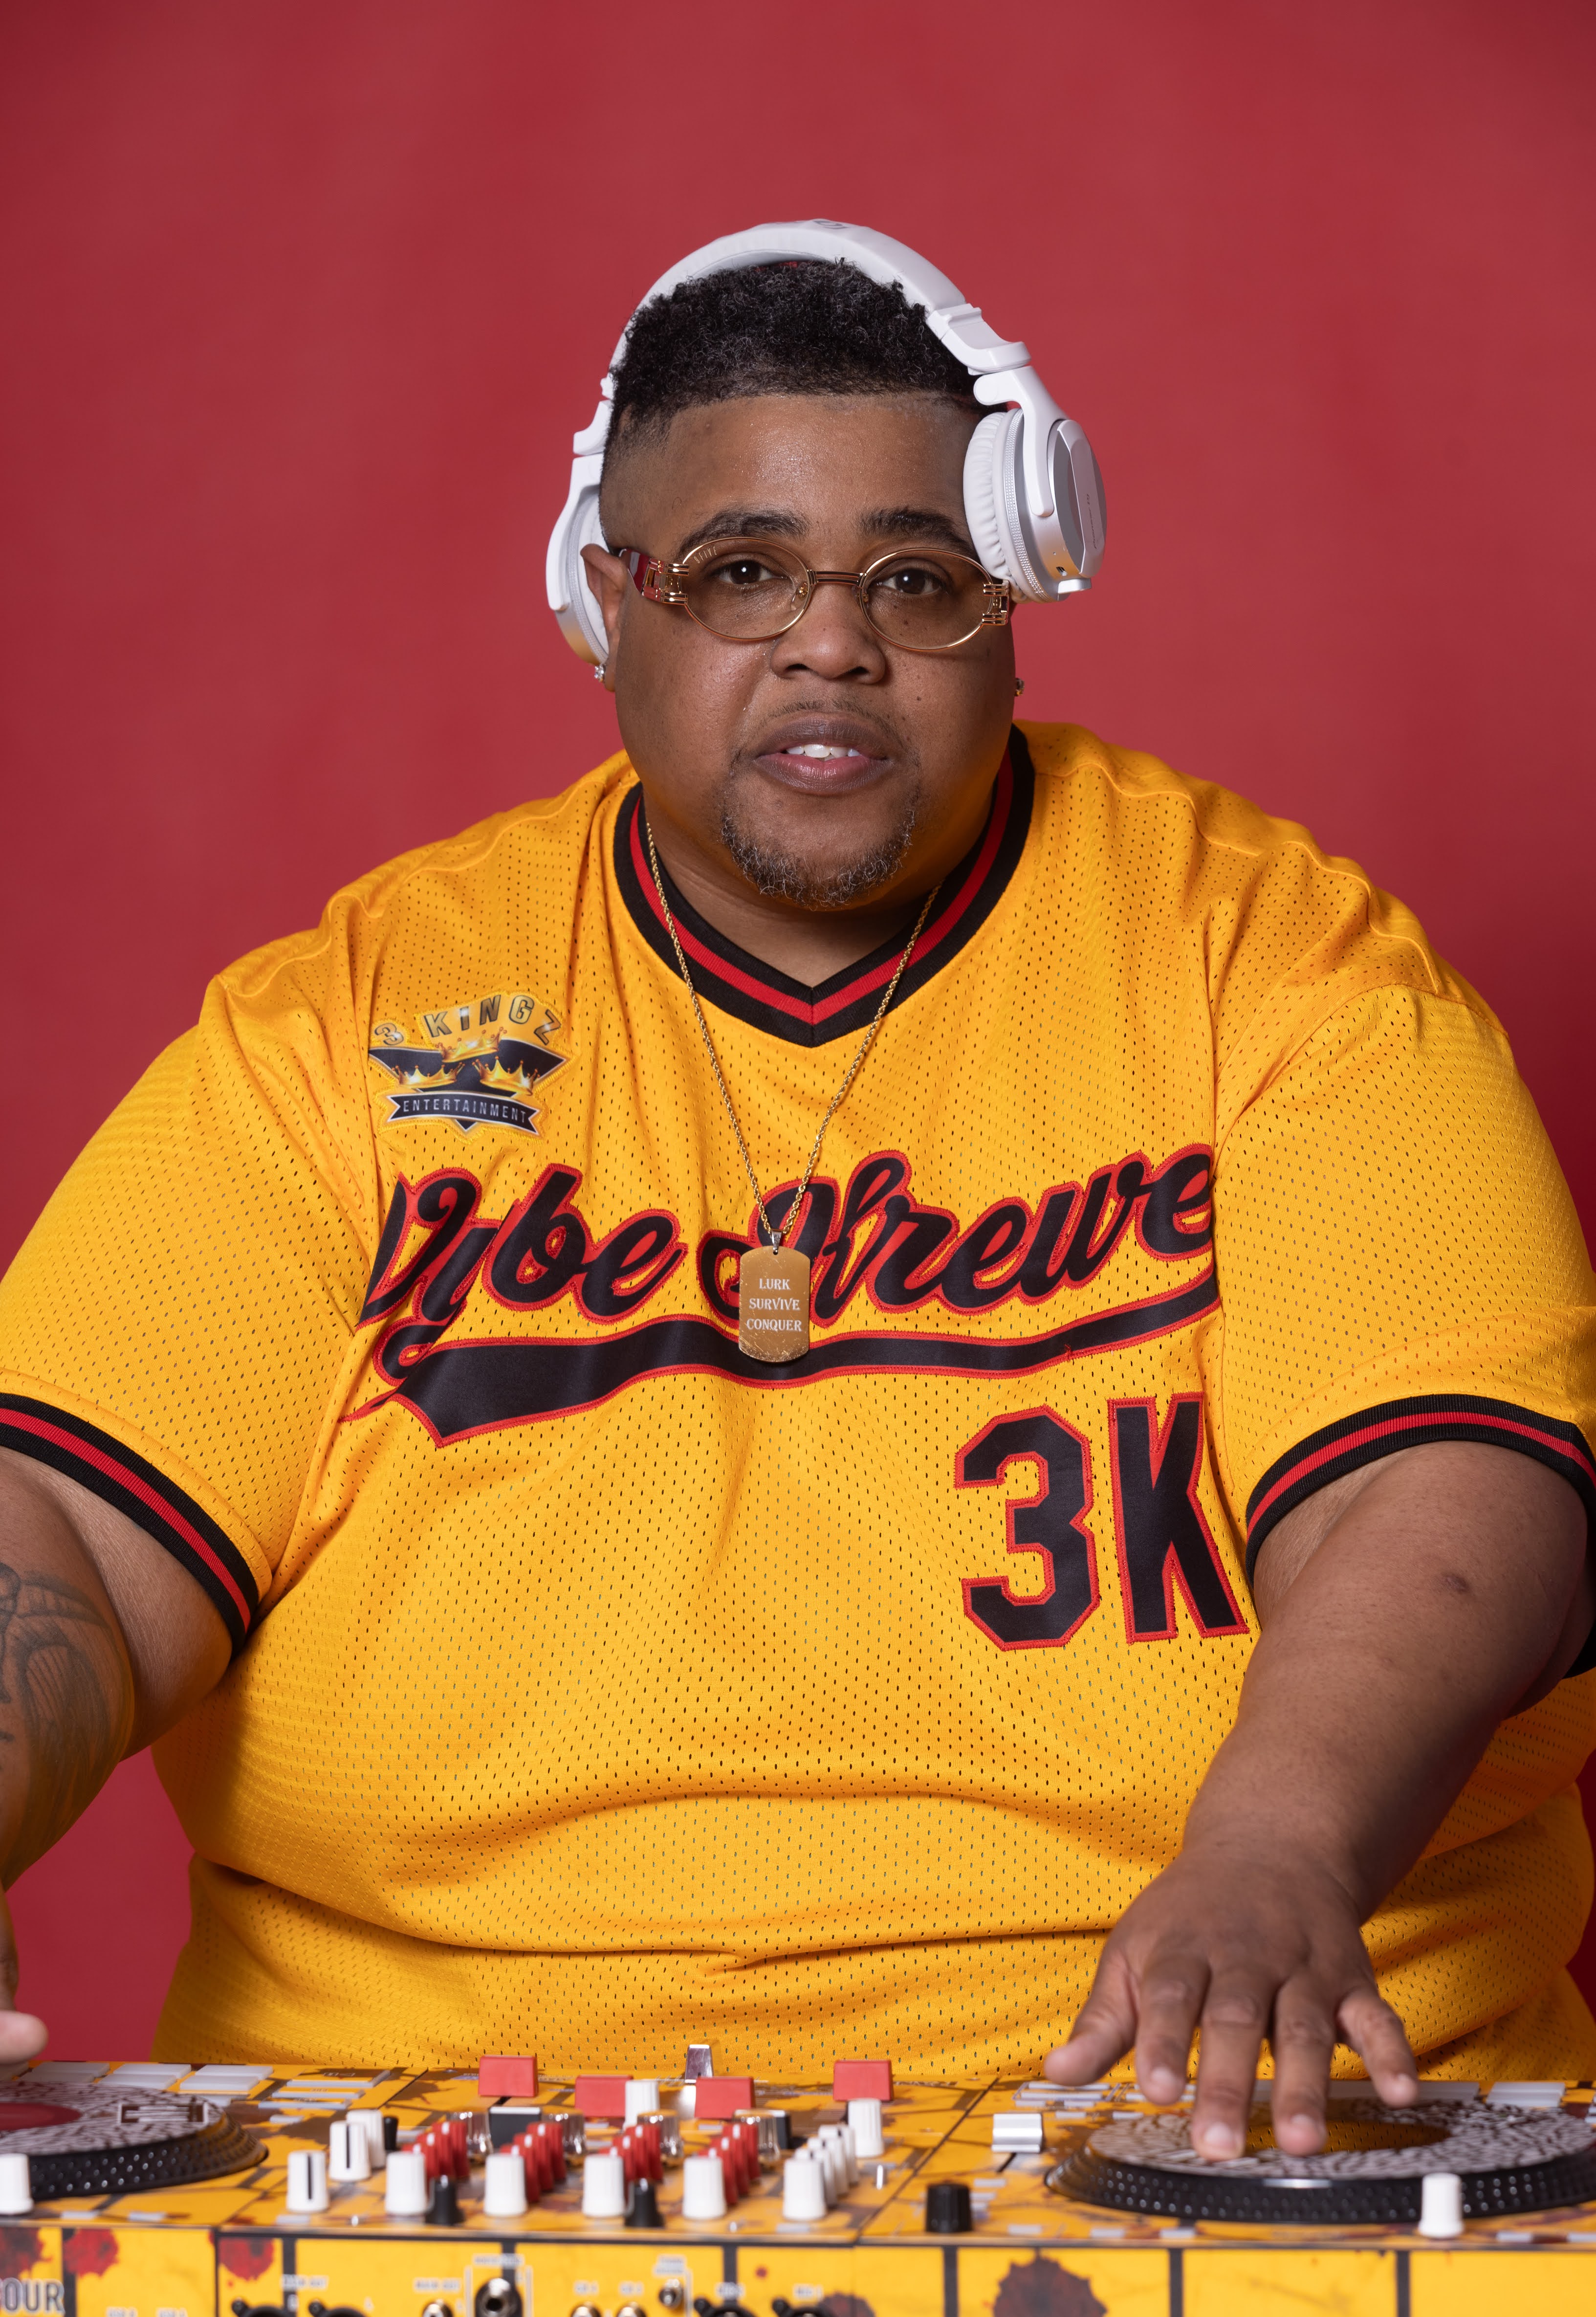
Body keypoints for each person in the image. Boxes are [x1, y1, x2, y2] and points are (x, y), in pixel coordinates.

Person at [1, 224, 1593, 2172]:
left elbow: (1441, 1477)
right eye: (740, 571)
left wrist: (1274, 1845)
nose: (831, 643)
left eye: (915, 580)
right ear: (609, 606)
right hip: (422, 2161)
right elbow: (67, 1529)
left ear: (1013, 608)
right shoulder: (342, 1035)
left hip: (1197, 2132)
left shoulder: (1282, 976)